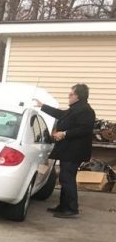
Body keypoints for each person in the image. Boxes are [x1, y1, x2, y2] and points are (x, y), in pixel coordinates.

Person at [34, 84, 96, 218]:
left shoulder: (85, 111)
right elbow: (61, 114)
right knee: (65, 178)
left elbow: (84, 129)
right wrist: (43, 106)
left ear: (78, 96)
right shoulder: (75, 109)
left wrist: (64, 134)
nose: (69, 95)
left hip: (74, 152)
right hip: (68, 150)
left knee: (67, 178)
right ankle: (63, 206)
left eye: (71, 94)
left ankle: (71, 208)